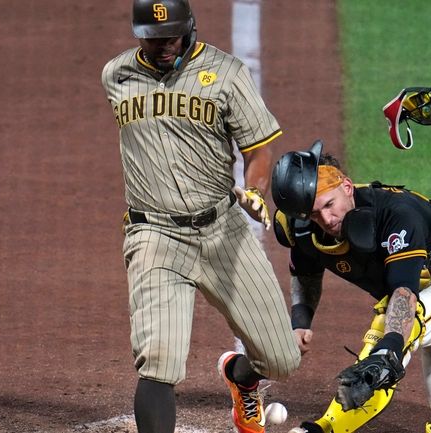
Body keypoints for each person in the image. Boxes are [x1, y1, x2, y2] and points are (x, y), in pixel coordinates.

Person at [100, 1, 300, 432]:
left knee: (281, 359)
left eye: (168, 38)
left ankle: (242, 379)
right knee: (158, 364)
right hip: (153, 234)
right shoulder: (116, 75)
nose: (161, 47)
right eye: (151, 39)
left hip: (224, 231)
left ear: (189, 27)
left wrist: (254, 190)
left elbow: (259, 146)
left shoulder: (226, 73)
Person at [269, 141, 431, 433]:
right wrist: (300, 320)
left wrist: (389, 348)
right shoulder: (302, 226)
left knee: (392, 332)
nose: (326, 220)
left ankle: (325, 428)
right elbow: (306, 270)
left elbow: (403, 293)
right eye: (312, 214)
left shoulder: (396, 213)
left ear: (347, 187)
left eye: (329, 205)